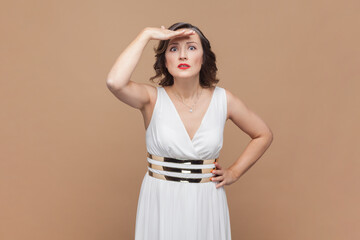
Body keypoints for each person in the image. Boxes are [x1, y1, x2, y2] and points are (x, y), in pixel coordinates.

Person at [106, 22, 273, 240]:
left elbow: (263, 134)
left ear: (204, 58)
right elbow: (114, 82)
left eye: (192, 48)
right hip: (161, 198)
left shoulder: (224, 100)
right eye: (173, 49)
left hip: (207, 201)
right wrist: (146, 35)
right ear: (165, 60)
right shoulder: (151, 99)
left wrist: (234, 172)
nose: (182, 55)